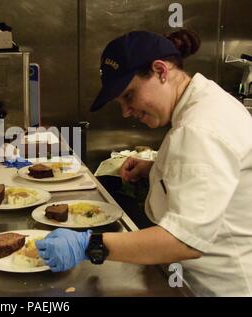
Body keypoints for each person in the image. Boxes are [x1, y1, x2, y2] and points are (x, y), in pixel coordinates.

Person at [36, 29, 252, 296]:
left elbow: (184, 240)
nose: (126, 112)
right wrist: (157, 169)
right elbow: (213, 175)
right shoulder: (203, 101)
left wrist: (89, 245)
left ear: (161, 71)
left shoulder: (200, 128)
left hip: (215, 287)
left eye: (129, 96)